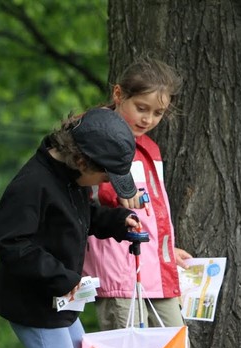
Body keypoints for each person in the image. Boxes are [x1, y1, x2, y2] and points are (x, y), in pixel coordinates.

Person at [0, 108, 141, 348]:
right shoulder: (33, 184)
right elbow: (10, 242)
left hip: (62, 299)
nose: (106, 181)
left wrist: (117, 222)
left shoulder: (72, 179)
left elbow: (83, 215)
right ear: (79, 159)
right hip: (35, 305)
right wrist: (60, 277)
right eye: (104, 174)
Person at [83, 58, 192, 330]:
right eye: (141, 108)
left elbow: (151, 212)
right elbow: (106, 200)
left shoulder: (150, 148)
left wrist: (164, 248)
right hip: (120, 271)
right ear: (119, 94)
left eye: (158, 113)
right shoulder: (97, 139)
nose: (148, 119)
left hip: (157, 269)